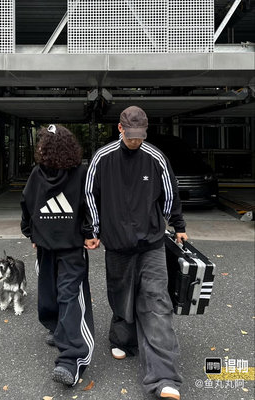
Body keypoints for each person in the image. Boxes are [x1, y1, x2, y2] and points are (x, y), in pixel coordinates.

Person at [84, 106, 188, 400]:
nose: (135, 141)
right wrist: (93, 230)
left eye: (140, 137)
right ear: (120, 129)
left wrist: (175, 224)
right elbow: (90, 194)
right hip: (117, 244)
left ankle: (164, 377)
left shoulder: (155, 158)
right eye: (130, 136)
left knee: (157, 302)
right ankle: (124, 339)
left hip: (151, 243)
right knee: (120, 296)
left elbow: (170, 195)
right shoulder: (102, 158)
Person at [20, 124, 94, 387]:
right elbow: (28, 204)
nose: (39, 148)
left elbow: (88, 205)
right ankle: (57, 327)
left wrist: (89, 233)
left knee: (69, 294)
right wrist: (32, 235)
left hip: (70, 248)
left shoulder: (78, 174)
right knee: (50, 292)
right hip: (49, 246)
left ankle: (71, 360)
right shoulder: (39, 175)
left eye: (42, 145)